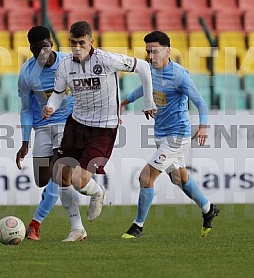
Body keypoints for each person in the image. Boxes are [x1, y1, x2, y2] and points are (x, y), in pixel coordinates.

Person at [42, 21, 156, 240]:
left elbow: (142, 66)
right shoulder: (65, 65)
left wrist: (148, 101)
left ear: (91, 42)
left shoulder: (106, 60)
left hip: (103, 129)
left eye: (81, 43)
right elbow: (58, 93)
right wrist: (51, 106)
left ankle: (97, 192)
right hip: (77, 124)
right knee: (60, 174)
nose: (77, 47)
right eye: (73, 43)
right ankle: (77, 228)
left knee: (79, 180)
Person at [121, 30, 220, 239]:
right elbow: (145, 86)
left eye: (154, 51)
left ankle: (137, 226)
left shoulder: (179, 75)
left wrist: (203, 126)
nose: (150, 56)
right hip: (161, 134)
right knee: (180, 178)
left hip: (177, 135)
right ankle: (208, 208)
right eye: (148, 52)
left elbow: (201, 102)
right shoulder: (149, 69)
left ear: (167, 51)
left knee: (145, 177)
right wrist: (126, 101)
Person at [16, 25, 85, 242]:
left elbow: (87, 91)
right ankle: (79, 225)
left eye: (45, 47)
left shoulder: (69, 64)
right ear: (31, 49)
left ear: (51, 44)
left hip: (69, 124)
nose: (42, 54)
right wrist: (25, 141)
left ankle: (35, 225)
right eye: (36, 50)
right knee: (42, 179)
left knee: (58, 173)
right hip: (43, 127)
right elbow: (26, 109)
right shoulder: (27, 74)